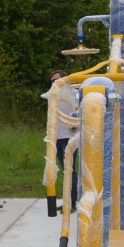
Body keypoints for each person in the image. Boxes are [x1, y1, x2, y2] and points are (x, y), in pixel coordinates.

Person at [50, 70, 78, 204]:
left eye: (56, 80)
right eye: (52, 81)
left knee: (69, 170)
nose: (53, 83)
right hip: (57, 138)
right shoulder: (53, 96)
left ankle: (73, 202)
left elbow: (82, 109)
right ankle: (68, 202)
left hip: (69, 138)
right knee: (64, 171)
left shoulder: (73, 93)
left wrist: (75, 123)